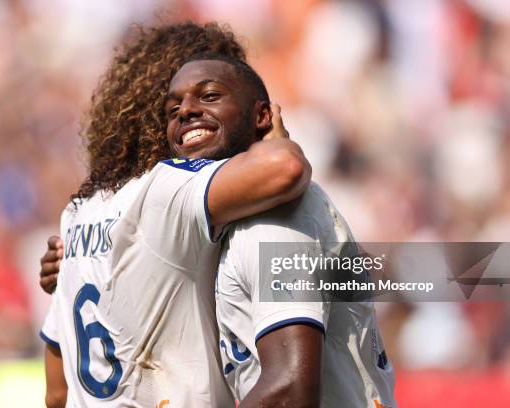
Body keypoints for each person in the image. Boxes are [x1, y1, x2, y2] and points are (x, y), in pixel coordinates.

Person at [42, 51, 397, 407]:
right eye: (171, 109)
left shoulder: (278, 218)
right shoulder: (215, 224)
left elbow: (291, 388)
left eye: (209, 95)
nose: (186, 110)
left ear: (262, 115)